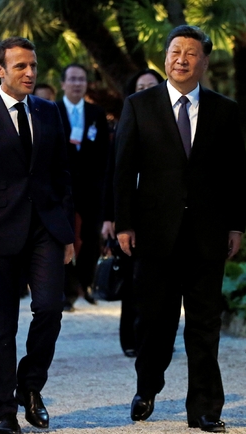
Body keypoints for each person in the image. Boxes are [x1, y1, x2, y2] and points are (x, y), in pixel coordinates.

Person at [114, 25, 246, 432]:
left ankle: (205, 408)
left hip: (207, 234)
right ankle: (148, 385)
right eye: (175, 51)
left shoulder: (224, 110)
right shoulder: (140, 105)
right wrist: (123, 223)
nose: (182, 59)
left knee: (205, 324)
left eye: (191, 53)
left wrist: (236, 226)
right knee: (155, 322)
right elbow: (123, 169)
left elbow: (234, 174)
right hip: (155, 234)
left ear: (204, 61)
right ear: (166, 56)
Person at [0, 37, 75, 434]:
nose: (29, 73)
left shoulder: (48, 111)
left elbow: (61, 175)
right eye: (20, 66)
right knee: (1, 326)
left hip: (46, 230)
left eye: (33, 66)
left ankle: (30, 385)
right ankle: (4, 410)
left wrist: (67, 232)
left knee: (50, 309)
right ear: (0, 70)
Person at [102, 68, 164, 357]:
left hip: (163, 213)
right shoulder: (125, 123)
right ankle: (130, 338)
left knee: (162, 281)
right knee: (133, 280)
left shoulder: (172, 123)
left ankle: (159, 340)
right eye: (141, 86)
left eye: (152, 86)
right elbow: (113, 175)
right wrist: (110, 217)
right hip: (132, 214)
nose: (146, 91)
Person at [56, 64, 110, 310]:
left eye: (81, 79)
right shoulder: (51, 110)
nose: (77, 84)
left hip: (92, 188)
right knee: (63, 238)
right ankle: (66, 291)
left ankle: (86, 285)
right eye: (72, 79)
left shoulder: (96, 113)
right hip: (62, 188)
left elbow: (103, 153)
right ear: (63, 84)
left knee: (91, 238)